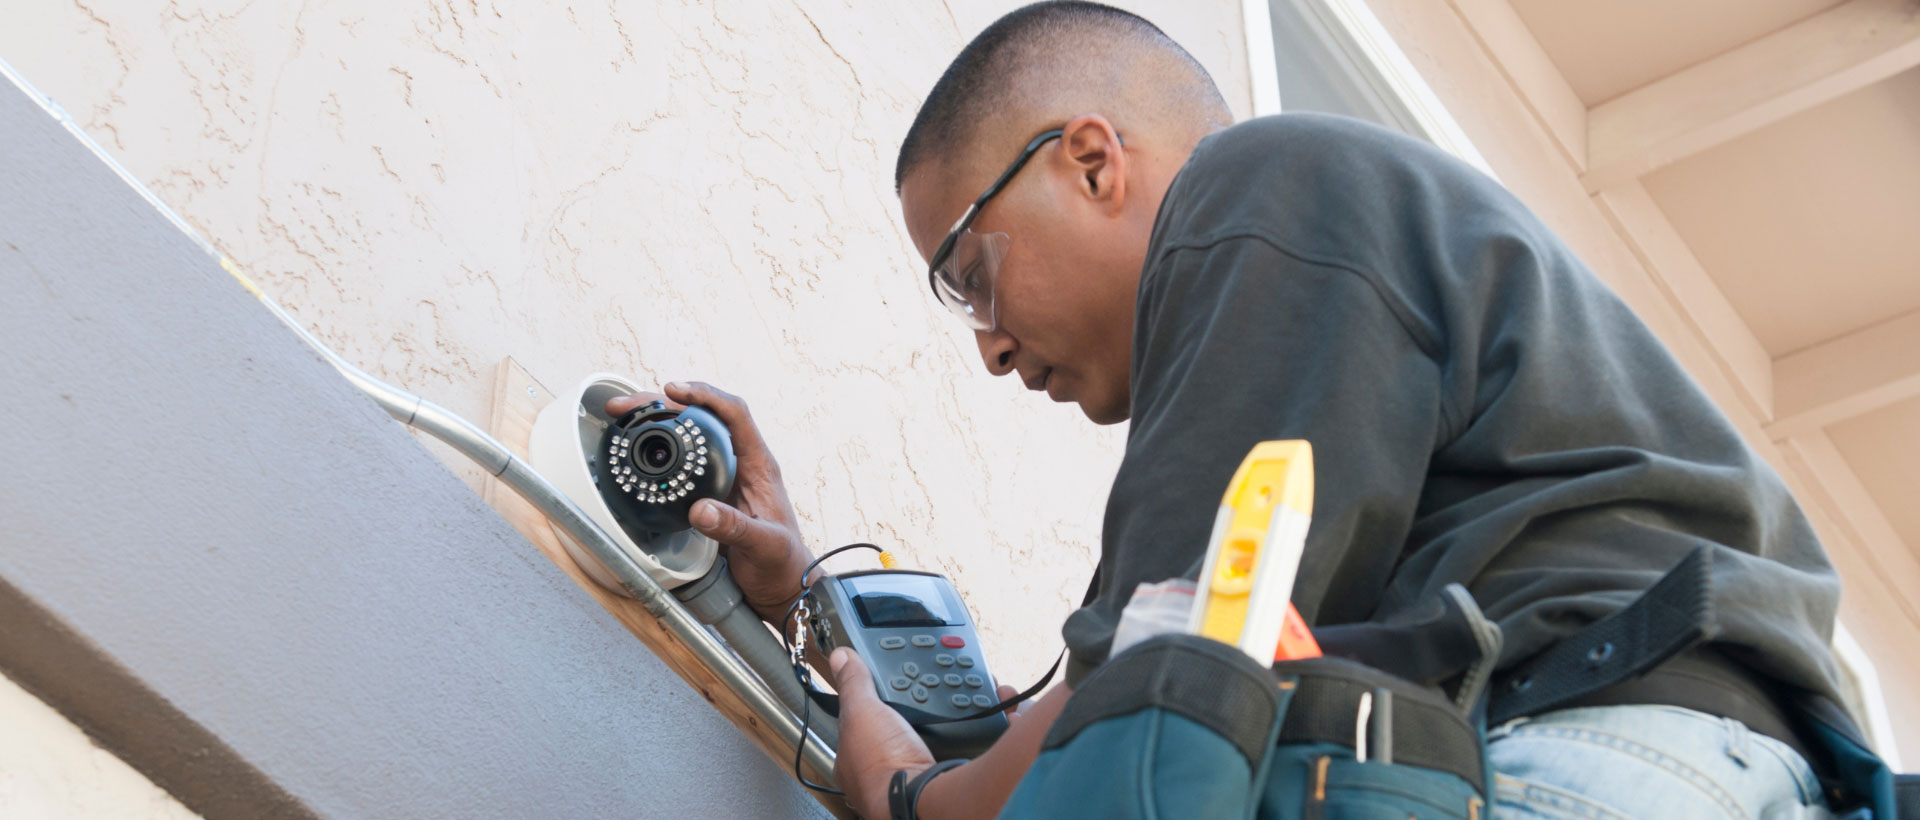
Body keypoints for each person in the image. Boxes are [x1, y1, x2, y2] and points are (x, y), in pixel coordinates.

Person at [613, 3, 1847, 818]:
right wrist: (803, 607)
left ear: (1092, 162)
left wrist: (908, 800)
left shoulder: (1262, 190)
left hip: (1593, 759)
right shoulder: (1353, 310)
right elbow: (1123, 679)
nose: (987, 345)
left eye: (972, 272)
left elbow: (1158, 676)